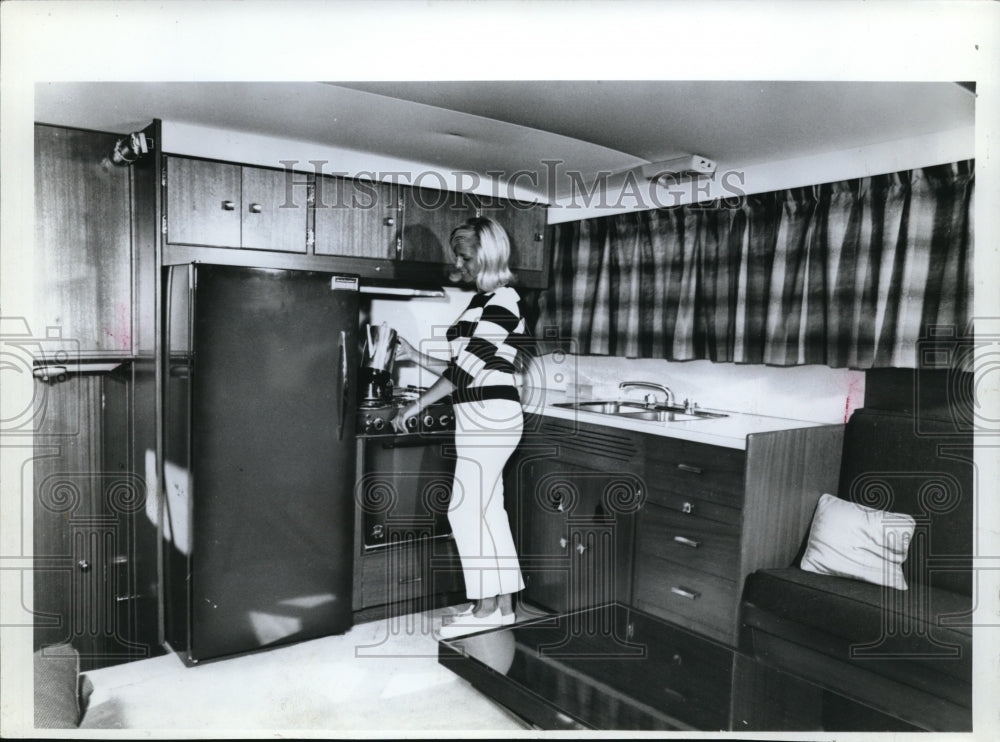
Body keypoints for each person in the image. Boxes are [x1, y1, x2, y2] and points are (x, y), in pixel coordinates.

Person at [392, 216, 527, 638]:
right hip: (480, 415)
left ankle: (483, 609)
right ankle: (503, 605)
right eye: (457, 255)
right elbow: (461, 367)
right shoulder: (482, 302)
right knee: (488, 509)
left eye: (465, 256)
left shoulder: (504, 301)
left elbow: (464, 374)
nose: (459, 263)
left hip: (490, 416)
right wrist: (413, 354)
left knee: (463, 508)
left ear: (487, 256)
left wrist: (413, 405)